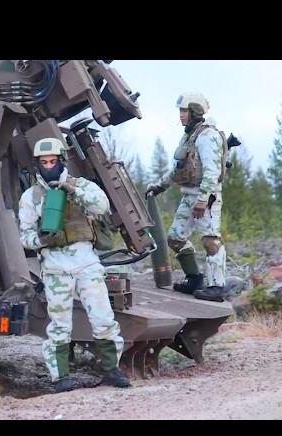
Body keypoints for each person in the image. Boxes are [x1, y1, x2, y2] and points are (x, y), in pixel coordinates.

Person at [18, 137, 131, 392]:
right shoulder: (32, 196)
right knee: (59, 324)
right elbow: (24, 235)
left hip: (86, 261)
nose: (49, 166)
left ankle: (112, 369)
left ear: (61, 161)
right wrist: (41, 239)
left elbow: (101, 205)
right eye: (44, 162)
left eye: (53, 161)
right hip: (55, 264)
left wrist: (73, 191)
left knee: (103, 317)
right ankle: (61, 377)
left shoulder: (81, 186)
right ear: (37, 164)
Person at [146, 93, 228, 302]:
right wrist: (160, 186)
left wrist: (202, 200)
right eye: (181, 111)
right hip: (189, 194)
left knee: (210, 241)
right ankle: (195, 279)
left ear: (194, 112)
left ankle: (217, 287)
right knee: (175, 238)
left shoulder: (207, 136)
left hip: (206, 197)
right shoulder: (190, 135)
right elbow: (179, 168)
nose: (181, 115)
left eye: (184, 111)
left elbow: (211, 171)